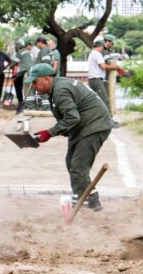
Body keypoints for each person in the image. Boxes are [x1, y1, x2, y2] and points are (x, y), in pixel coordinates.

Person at [26, 63, 113, 211]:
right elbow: (70, 118)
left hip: (94, 125)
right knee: (72, 163)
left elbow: (72, 118)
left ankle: (82, 203)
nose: (33, 85)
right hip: (85, 126)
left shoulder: (60, 90)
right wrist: (53, 132)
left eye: (35, 82)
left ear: (46, 79)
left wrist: (49, 133)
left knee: (78, 166)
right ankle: (91, 200)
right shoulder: (58, 87)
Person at [87, 39, 121, 111]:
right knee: (104, 100)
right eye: (103, 48)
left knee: (96, 101)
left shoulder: (92, 53)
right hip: (96, 80)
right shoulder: (97, 54)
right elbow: (103, 66)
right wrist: (114, 67)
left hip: (93, 80)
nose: (103, 50)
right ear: (101, 46)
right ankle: (109, 120)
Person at [10, 40, 34, 114]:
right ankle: (30, 103)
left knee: (18, 85)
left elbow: (12, 64)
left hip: (25, 72)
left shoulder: (19, 53)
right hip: (33, 71)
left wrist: (12, 67)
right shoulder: (30, 53)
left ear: (17, 49)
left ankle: (21, 102)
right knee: (30, 89)